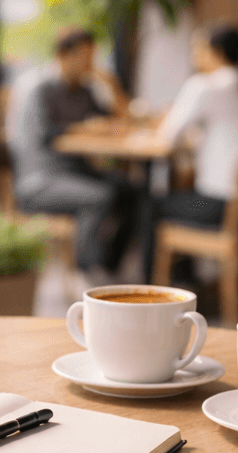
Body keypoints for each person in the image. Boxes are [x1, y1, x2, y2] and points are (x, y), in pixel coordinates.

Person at [10, 28, 141, 277]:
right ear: (62, 55)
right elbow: (46, 135)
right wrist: (86, 128)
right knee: (99, 196)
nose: (89, 64)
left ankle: (109, 265)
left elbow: (121, 119)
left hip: (78, 171)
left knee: (131, 191)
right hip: (41, 179)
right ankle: (87, 271)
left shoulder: (84, 89)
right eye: (84, 57)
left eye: (92, 57)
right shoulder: (39, 88)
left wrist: (110, 83)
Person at [154, 23, 238, 231]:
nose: (194, 55)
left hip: (225, 206)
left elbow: (168, 136)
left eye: (198, 48)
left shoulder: (206, 85)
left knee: (153, 205)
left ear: (216, 53)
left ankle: (106, 264)